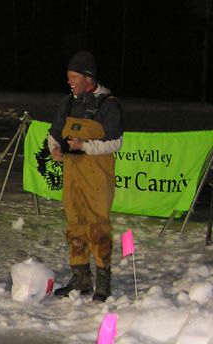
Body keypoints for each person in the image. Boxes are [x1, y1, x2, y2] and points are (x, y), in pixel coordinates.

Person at [47, 51, 124, 301]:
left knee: (97, 225)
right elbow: (55, 132)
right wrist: (54, 148)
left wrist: (86, 146)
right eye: (68, 77)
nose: (69, 81)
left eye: (73, 77)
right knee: (74, 224)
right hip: (73, 174)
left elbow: (116, 142)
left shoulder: (108, 104)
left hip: (97, 176)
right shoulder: (68, 103)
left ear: (88, 77)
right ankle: (80, 278)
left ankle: (103, 281)